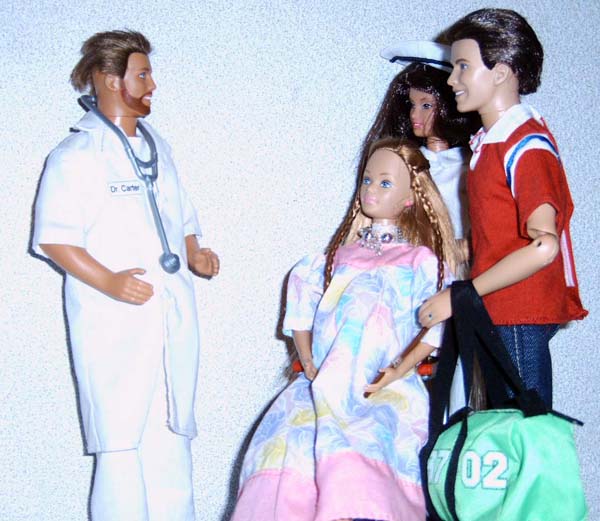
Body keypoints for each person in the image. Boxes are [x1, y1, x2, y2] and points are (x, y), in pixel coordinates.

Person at [32, 30, 219, 520]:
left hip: (169, 314)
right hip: (112, 324)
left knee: (171, 438)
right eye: (143, 74)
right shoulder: (76, 156)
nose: (152, 85)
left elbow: (180, 216)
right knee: (119, 445)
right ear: (111, 81)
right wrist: (109, 281)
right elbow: (54, 238)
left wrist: (195, 252)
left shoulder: (160, 148)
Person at [232, 139, 461, 521]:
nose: (371, 189)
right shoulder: (334, 259)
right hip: (319, 386)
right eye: (367, 180)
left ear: (411, 197)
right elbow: (302, 310)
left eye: (385, 182)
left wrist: (399, 369)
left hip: (380, 389)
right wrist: (308, 362)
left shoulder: (419, 262)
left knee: (363, 461)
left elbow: (439, 322)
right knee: (285, 450)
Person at [419, 9, 587, 408]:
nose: (452, 79)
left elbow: (543, 246)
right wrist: (459, 249)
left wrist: (461, 296)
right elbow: (501, 231)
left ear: (501, 72)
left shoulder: (524, 144)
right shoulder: (493, 143)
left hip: (518, 309)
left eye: (463, 66)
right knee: (504, 421)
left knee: (525, 424)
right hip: (501, 308)